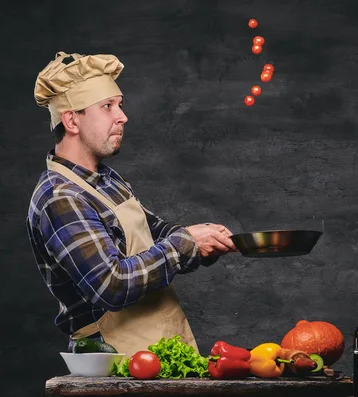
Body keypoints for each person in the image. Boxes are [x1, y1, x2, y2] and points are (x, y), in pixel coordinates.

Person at [26, 51, 237, 356]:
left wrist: (205, 242)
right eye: (107, 107)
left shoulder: (106, 180)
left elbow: (157, 235)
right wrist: (185, 243)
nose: (122, 116)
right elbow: (111, 285)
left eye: (120, 105)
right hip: (116, 358)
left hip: (159, 346)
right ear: (71, 119)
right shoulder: (62, 198)